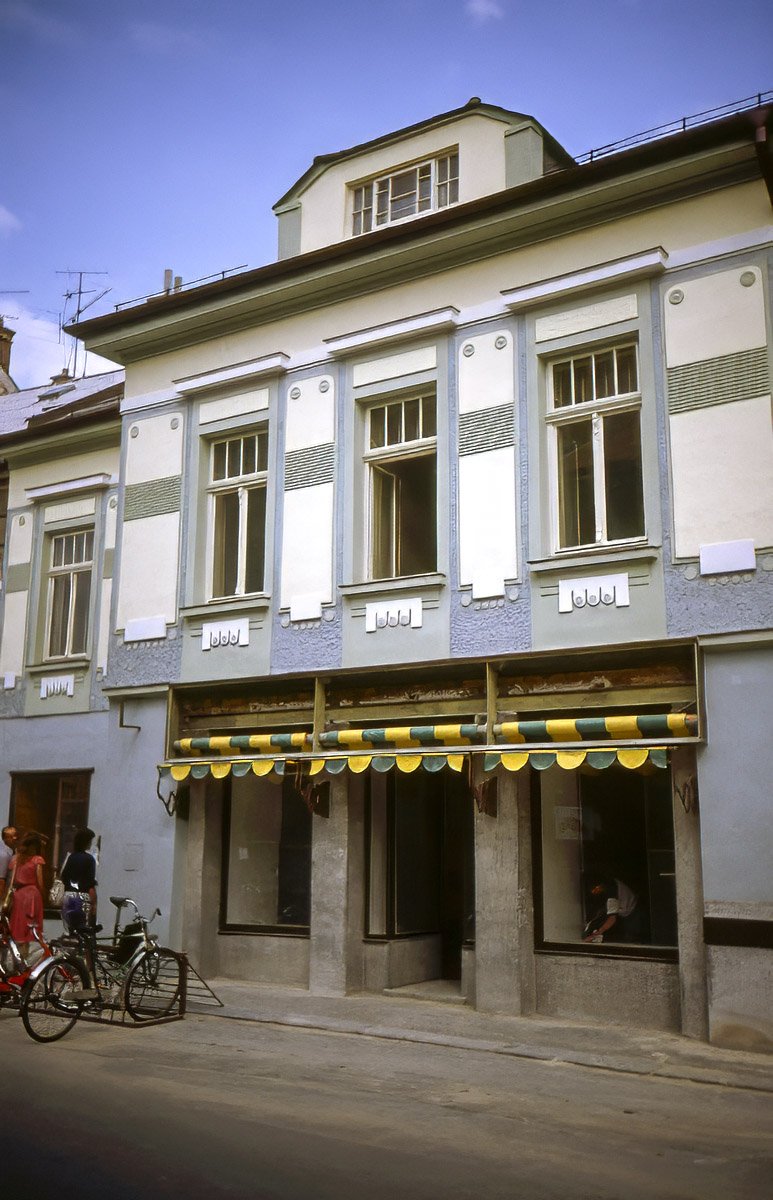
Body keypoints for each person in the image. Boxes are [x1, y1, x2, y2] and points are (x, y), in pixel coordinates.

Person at [7, 832, 45, 958]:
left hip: (18, 895)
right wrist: (43, 894)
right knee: (30, 929)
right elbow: (40, 881)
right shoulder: (37, 860)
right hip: (32, 895)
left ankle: (16, 957)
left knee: (18, 926)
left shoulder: (15, 859)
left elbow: (11, 879)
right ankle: (25, 957)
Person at [583, 875, 643, 944]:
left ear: (599, 886)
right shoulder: (607, 885)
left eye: (595, 889)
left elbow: (612, 918)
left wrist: (599, 932)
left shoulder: (611, 891)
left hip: (632, 909)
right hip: (622, 909)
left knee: (633, 938)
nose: (594, 892)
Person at [0, 826, 18, 902]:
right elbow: (1, 880)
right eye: (10, 837)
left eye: (15, 835)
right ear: (4, 838)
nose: (15, 838)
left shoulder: (10, 851)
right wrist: (3, 899)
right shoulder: (4, 854)